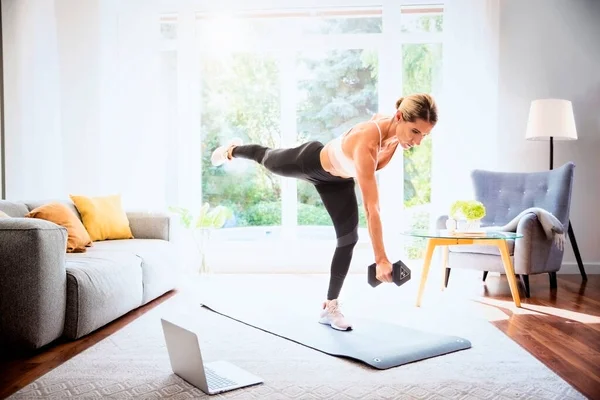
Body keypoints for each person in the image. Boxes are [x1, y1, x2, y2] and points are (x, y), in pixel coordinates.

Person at [210, 93, 438, 331]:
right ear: (400, 117)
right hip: (311, 162)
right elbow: (372, 208)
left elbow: (379, 117)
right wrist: (381, 259)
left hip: (338, 182)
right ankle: (232, 150)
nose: (419, 141)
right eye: (415, 131)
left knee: (349, 239)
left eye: (424, 135)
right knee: (266, 158)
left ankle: (330, 307)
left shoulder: (395, 134)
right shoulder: (366, 143)